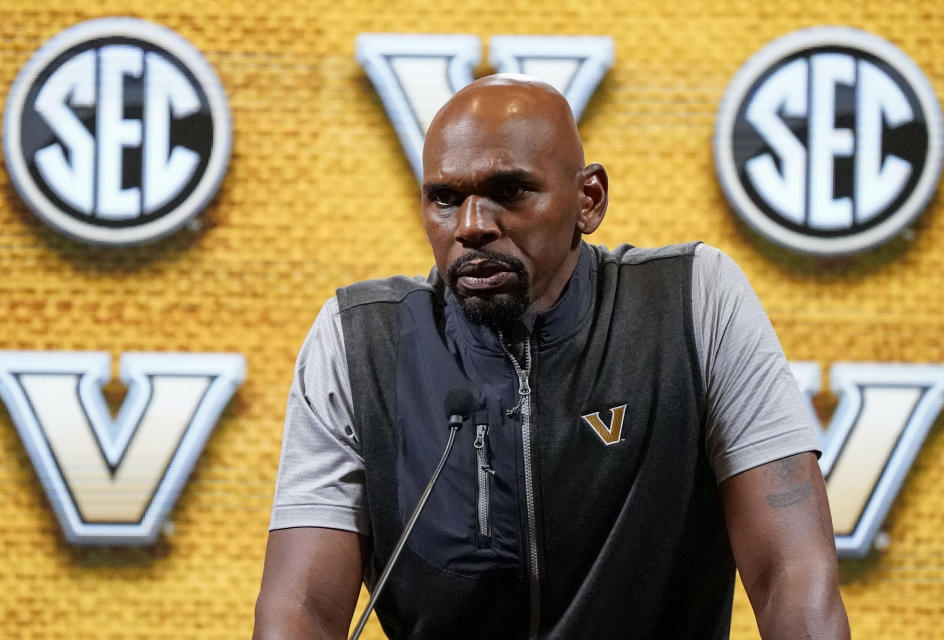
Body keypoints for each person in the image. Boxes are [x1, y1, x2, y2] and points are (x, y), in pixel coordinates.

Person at [253, 74, 850, 639]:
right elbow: (302, 608)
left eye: (509, 191)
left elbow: (790, 573)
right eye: (444, 198)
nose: (472, 225)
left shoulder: (693, 302)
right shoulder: (360, 342)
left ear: (589, 199)